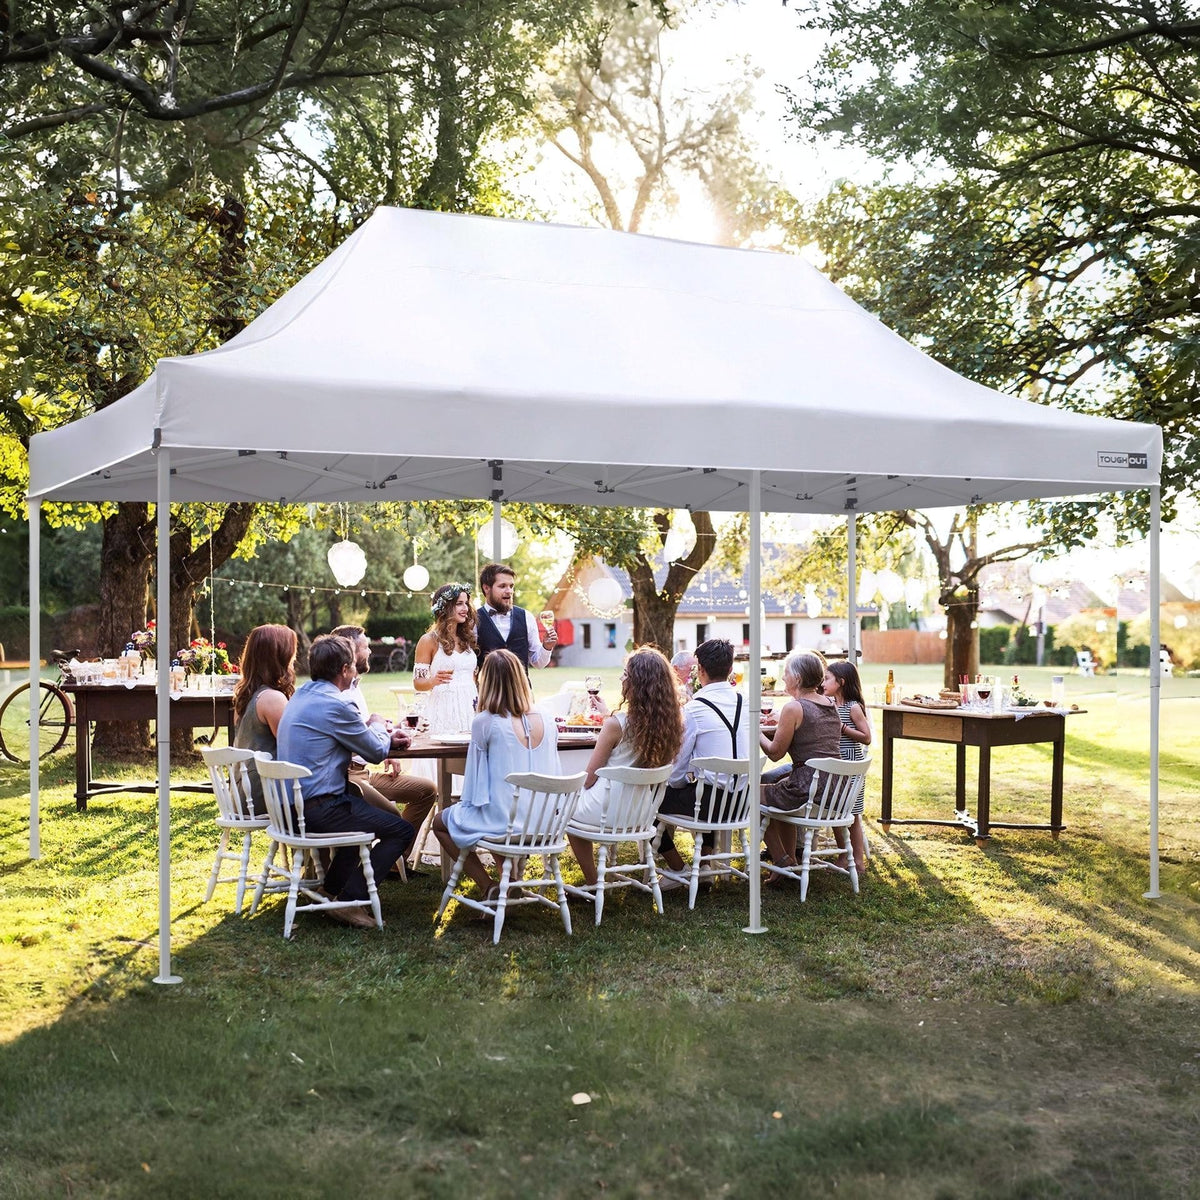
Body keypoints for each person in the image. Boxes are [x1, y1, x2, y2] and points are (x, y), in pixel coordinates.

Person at [276, 634, 415, 928]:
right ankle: (350, 901)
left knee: (358, 823)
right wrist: (378, 724)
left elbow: (348, 739)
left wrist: (380, 735)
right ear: (344, 670)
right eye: (352, 664)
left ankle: (329, 891)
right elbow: (376, 752)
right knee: (401, 830)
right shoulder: (337, 705)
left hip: (289, 809)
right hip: (319, 809)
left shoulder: (301, 695)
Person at [432, 649, 562, 901]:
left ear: (485, 681)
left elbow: (474, 785)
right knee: (499, 811)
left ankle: (489, 885)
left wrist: (466, 809)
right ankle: (509, 883)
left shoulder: (485, 722)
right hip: (546, 824)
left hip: (508, 824)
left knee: (443, 822)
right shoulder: (547, 718)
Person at [566, 646, 684, 886]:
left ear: (637, 684)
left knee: (566, 813)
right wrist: (608, 712)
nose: (621, 679)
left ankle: (593, 881)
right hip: (642, 812)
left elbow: (589, 779)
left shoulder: (614, 725)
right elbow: (635, 730)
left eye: (625, 674)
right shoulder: (670, 723)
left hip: (607, 811)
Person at [330, 625, 438, 860]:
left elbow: (360, 732)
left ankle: (392, 863)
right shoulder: (339, 695)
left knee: (427, 790)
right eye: (365, 647)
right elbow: (350, 740)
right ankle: (386, 858)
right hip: (348, 777)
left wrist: (388, 739)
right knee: (395, 822)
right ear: (350, 652)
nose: (369, 652)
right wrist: (382, 742)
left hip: (365, 771)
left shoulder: (354, 688)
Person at [655, 638, 751, 879]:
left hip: (710, 805)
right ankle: (706, 864)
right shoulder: (745, 702)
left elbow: (677, 768)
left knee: (648, 802)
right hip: (741, 802)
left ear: (700, 670)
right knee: (704, 788)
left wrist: (676, 784)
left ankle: (679, 868)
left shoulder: (695, 709)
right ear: (730, 670)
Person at [760, 650, 842, 874]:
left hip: (807, 789)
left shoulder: (793, 708)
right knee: (778, 792)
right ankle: (792, 861)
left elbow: (775, 753)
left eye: (786, 673)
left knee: (746, 795)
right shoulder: (830, 703)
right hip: (835, 789)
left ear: (797, 678)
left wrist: (756, 732)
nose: (784, 677)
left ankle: (781, 861)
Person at [232, 624, 298, 814]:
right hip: (262, 794)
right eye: (291, 654)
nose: (293, 660)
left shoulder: (246, 696)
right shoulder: (272, 698)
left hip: (241, 792)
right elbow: (292, 746)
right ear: (279, 656)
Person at [824, 659, 871, 874]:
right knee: (836, 811)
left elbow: (866, 737)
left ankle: (858, 861)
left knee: (852, 816)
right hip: (836, 764)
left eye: (827, 679)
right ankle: (844, 856)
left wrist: (843, 728)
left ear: (841, 682)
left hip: (850, 765)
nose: (823, 683)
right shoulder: (832, 704)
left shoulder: (852, 707)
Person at [412, 583, 479, 733]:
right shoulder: (428, 640)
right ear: (445, 607)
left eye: (466, 603)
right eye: (459, 604)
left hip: (471, 707)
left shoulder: (467, 638)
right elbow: (418, 683)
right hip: (444, 708)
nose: (465, 609)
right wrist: (433, 681)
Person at [475, 562, 555, 675]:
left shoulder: (526, 617)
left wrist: (547, 647)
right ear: (486, 588)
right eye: (502, 586)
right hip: (488, 691)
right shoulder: (473, 620)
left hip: (522, 691)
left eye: (511, 586)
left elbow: (538, 663)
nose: (509, 591)